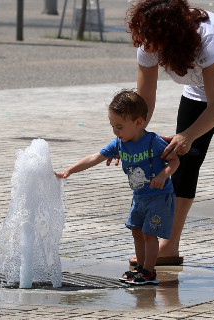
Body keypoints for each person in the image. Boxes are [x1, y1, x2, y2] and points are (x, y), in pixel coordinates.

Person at [126, 0, 214, 278]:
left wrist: (187, 135)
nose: (147, 45)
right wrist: (134, 138)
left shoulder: (205, 39)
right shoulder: (149, 44)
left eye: (153, 38)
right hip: (201, 89)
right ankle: (169, 246)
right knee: (182, 161)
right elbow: (144, 104)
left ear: (171, 33)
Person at [55, 89, 179, 285]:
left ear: (138, 122)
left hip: (159, 197)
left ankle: (149, 271)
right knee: (137, 231)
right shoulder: (119, 144)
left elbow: (174, 161)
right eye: (112, 126)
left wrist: (164, 175)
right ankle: (140, 267)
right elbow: (94, 158)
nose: (115, 131)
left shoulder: (153, 141)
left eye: (119, 127)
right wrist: (69, 170)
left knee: (149, 234)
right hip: (139, 197)